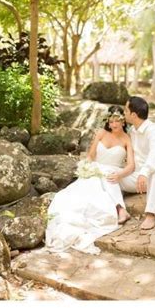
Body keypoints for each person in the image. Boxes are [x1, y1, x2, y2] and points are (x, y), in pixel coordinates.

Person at [45, 105, 135, 255]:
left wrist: (120, 175)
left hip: (114, 171)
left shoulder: (127, 139)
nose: (113, 125)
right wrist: (85, 166)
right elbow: (91, 155)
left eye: (117, 121)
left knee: (108, 174)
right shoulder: (101, 133)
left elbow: (131, 165)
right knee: (72, 195)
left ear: (123, 122)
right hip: (96, 168)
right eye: (111, 121)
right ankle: (119, 209)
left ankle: (120, 209)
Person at [121, 96, 155, 230]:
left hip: (153, 177)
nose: (124, 113)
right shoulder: (132, 131)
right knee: (112, 176)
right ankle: (119, 209)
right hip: (136, 177)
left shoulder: (153, 130)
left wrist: (144, 173)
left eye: (126, 110)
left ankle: (150, 214)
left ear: (134, 115)